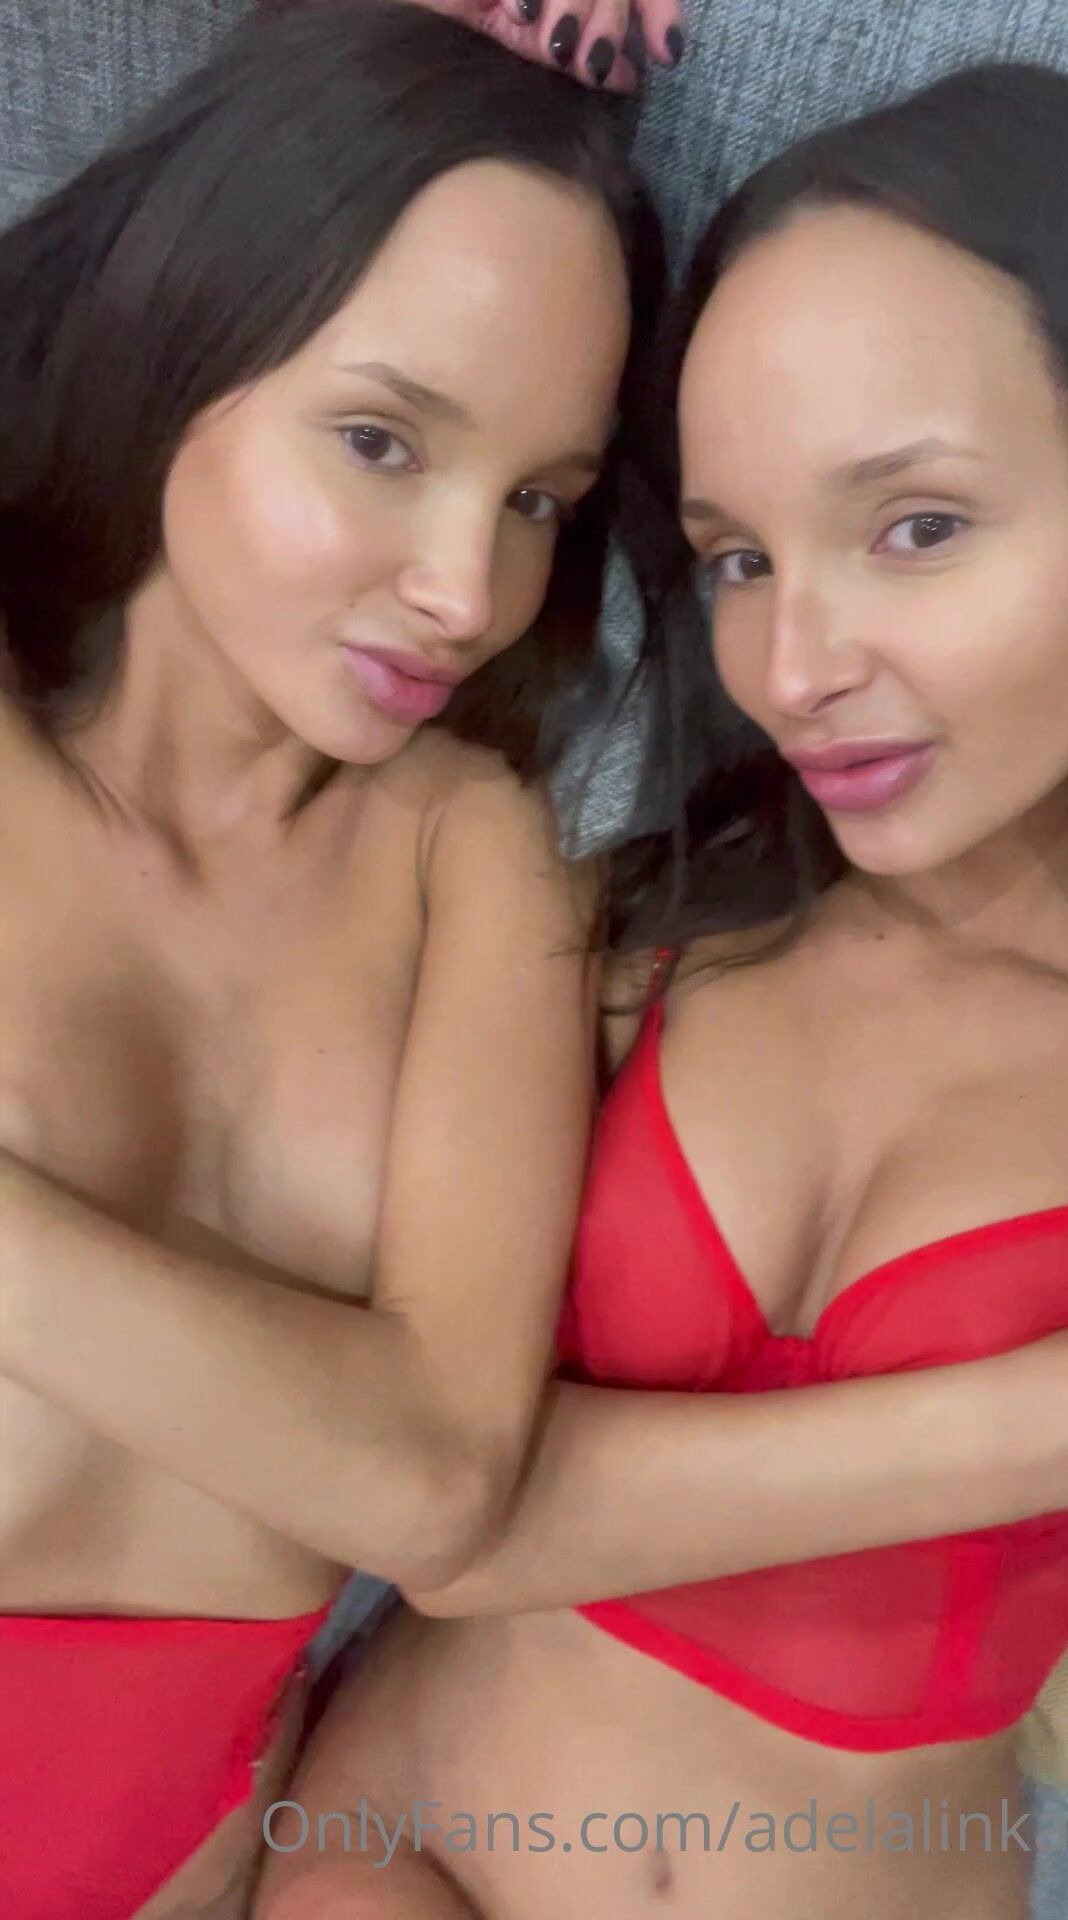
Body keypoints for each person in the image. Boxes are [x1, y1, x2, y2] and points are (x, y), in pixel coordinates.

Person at [253, 59, 1068, 1920]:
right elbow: (443, 1517)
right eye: (739, 559)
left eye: (918, 525)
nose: (791, 667)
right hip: (377, 1852)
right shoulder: (644, 930)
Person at [0, 4, 657, 1913]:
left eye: (537, 500)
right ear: (178, 339)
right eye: (382, 441)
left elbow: (436, 1483)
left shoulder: (478, 853)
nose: (466, 589)